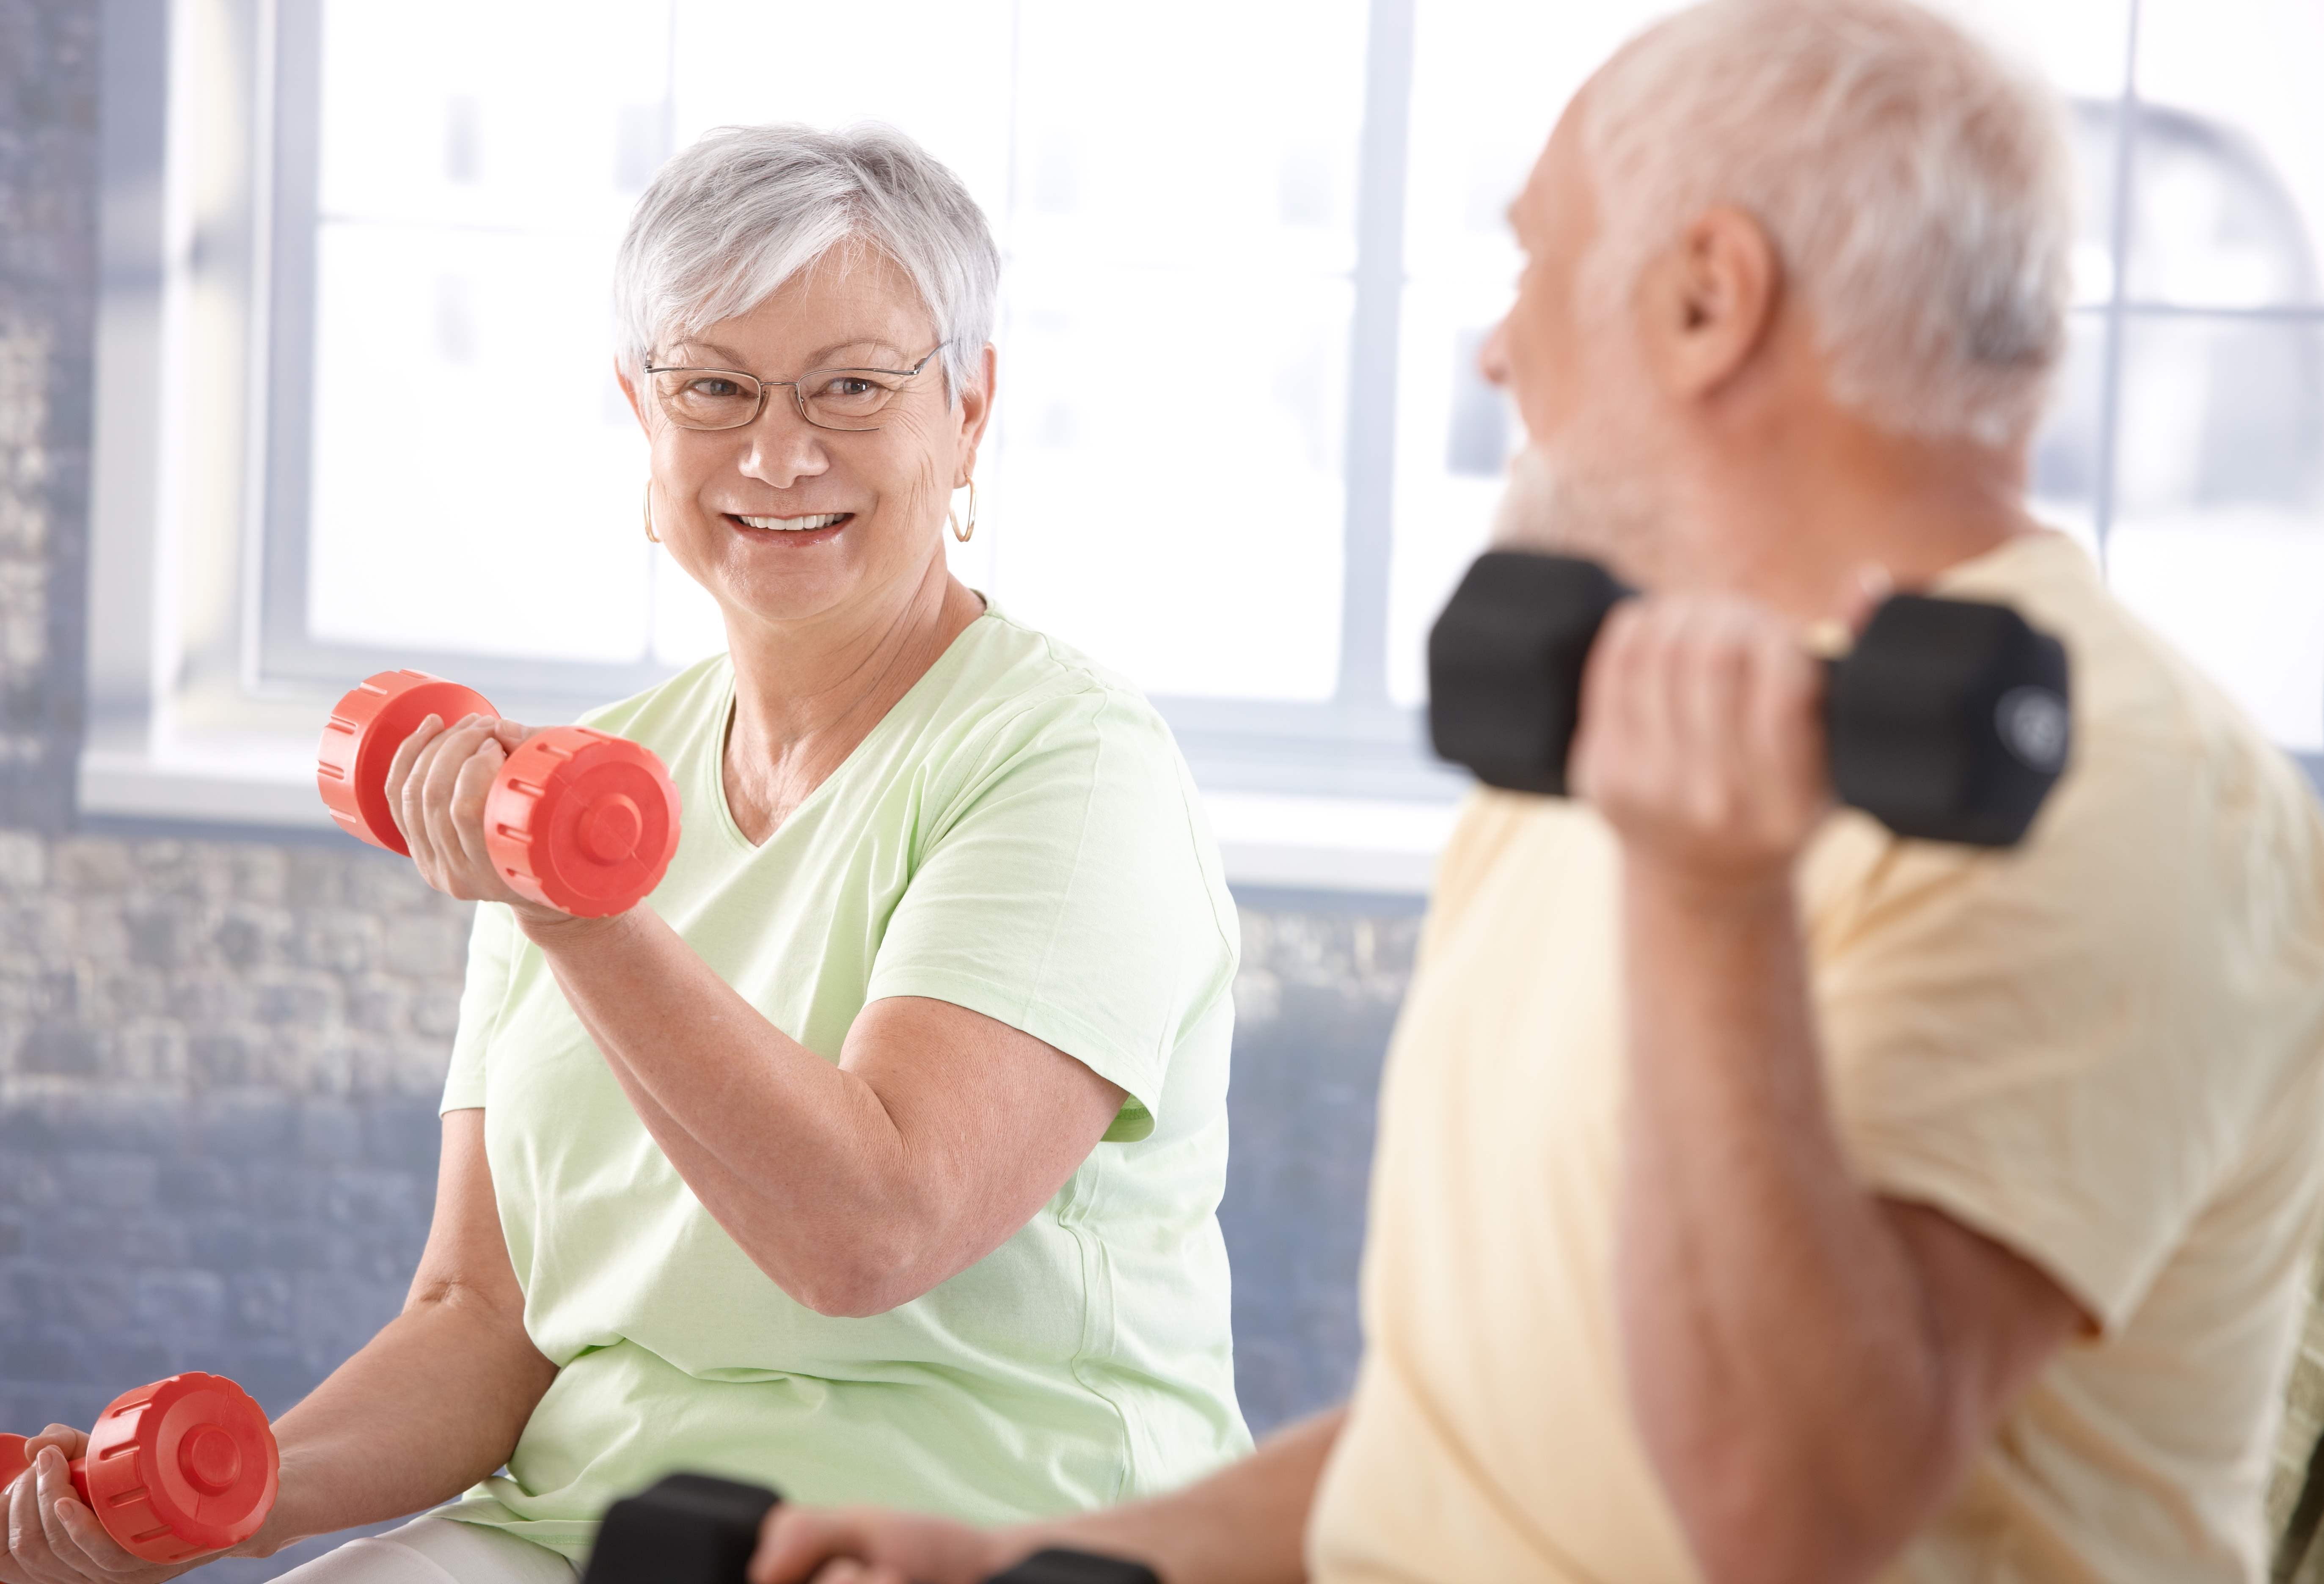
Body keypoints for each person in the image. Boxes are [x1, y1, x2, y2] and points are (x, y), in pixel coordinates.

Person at [742, 3, 2324, 1581]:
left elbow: (1787, 1521)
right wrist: (1040, 1565)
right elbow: (1466, 1461)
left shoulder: (2115, 787)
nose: (1499, 351)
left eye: (1534, 265)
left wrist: (1709, 903)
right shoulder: (1608, 746)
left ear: (1709, 300)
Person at [1, 124, 1250, 1584]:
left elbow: (870, 1237)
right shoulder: (584, 784)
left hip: (968, 1536)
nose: (777, 451)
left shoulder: (1067, 765)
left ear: (968, 408)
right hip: (587, 1532)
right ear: (640, 413)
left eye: (851, 385)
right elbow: (478, 1320)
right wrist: (235, 1505)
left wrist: (583, 922)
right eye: (713, 386)